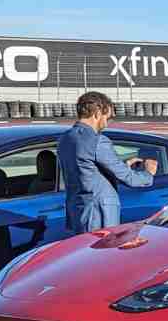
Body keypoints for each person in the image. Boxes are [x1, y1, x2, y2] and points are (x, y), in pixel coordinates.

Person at [59, 91, 157, 231]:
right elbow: (129, 179)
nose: (107, 122)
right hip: (98, 213)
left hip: (78, 209)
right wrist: (148, 173)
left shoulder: (65, 139)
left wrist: (123, 166)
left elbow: (87, 170)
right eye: (108, 117)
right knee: (101, 251)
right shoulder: (98, 141)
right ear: (97, 113)